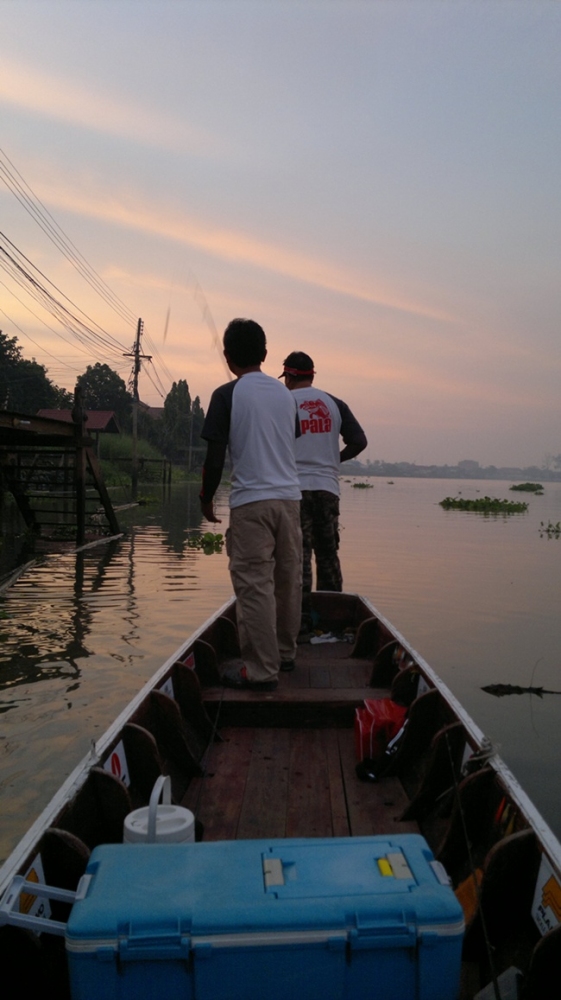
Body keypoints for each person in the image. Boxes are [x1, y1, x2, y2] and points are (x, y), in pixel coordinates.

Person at [200, 319, 302, 690]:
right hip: (290, 501)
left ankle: (260, 670)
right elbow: (290, 439)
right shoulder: (286, 397)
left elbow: (214, 457)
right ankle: (286, 655)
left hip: (251, 503)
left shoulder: (226, 395)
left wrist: (206, 496)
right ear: (264, 354)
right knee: (288, 581)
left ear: (228, 357)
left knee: (255, 585)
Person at [280, 351, 367, 616]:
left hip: (294, 490)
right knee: (328, 555)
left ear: (291, 375)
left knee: (300, 556)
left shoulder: (282, 402)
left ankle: (300, 623)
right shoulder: (334, 403)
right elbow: (359, 441)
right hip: (327, 490)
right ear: (312, 375)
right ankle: (333, 620)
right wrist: (334, 459)